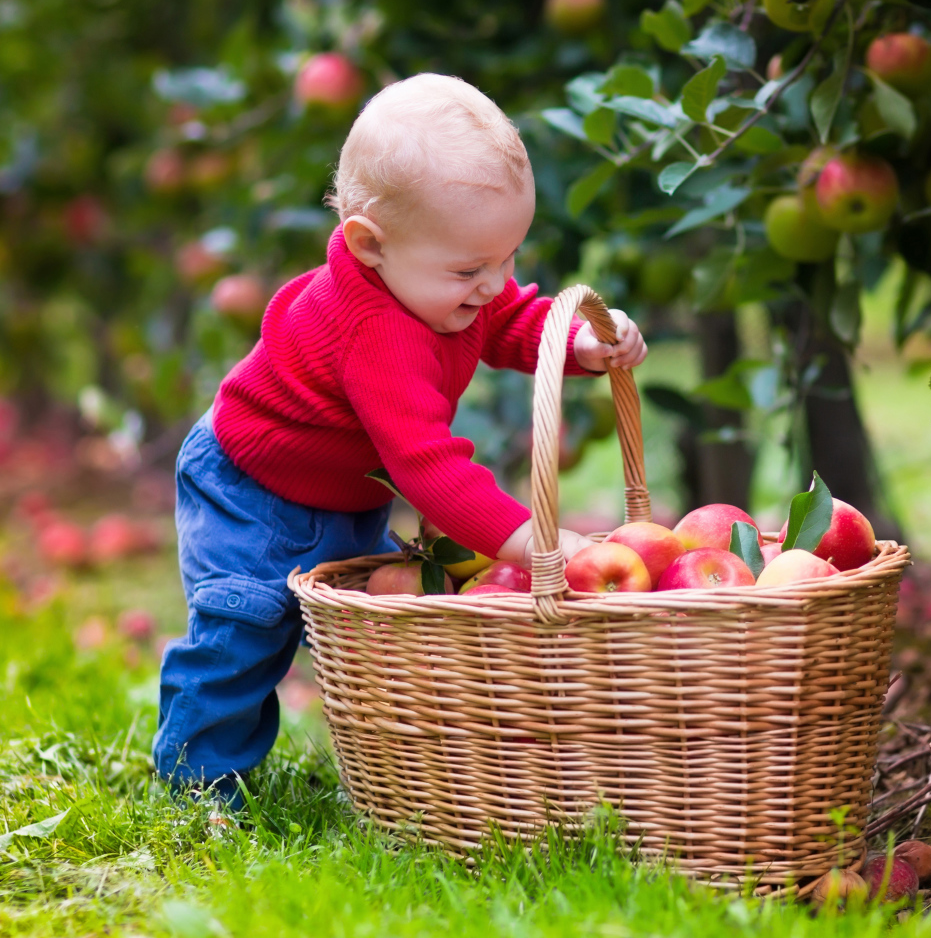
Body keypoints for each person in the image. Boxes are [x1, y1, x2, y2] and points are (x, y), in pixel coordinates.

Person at [153, 73, 648, 802]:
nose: (495, 282)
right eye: (472, 269)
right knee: (246, 629)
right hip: (253, 487)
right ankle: (198, 783)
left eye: (509, 258)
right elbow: (428, 466)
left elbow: (504, 320)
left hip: (340, 483)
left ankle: (381, 765)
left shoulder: (440, 280)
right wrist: (534, 540)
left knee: (351, 627)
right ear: (370, 245)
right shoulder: (374, 331)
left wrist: (575, 345)